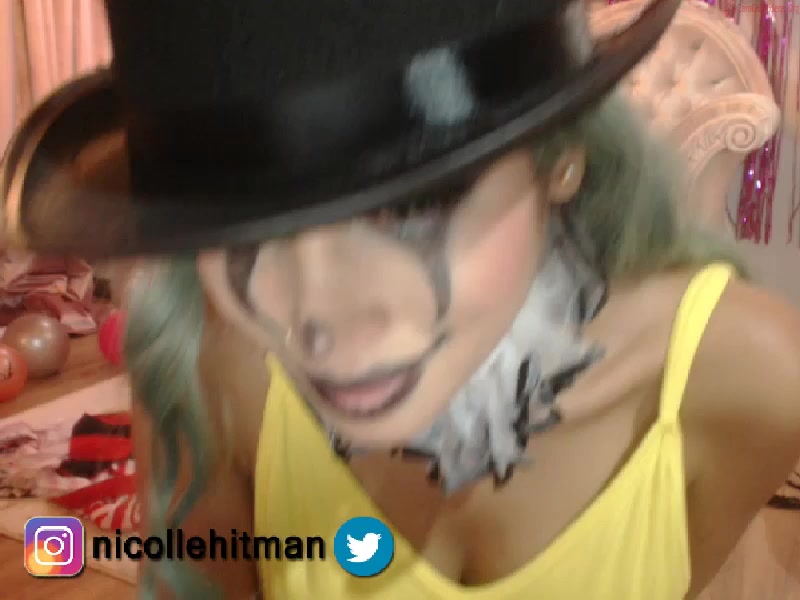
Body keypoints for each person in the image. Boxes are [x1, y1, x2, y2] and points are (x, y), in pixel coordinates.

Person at [3, 0, 800, 598]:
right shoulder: (214, 372)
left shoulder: (749, 379)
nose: (321, 321)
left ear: (560, 157)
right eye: (243, 225)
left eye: (413, 206)